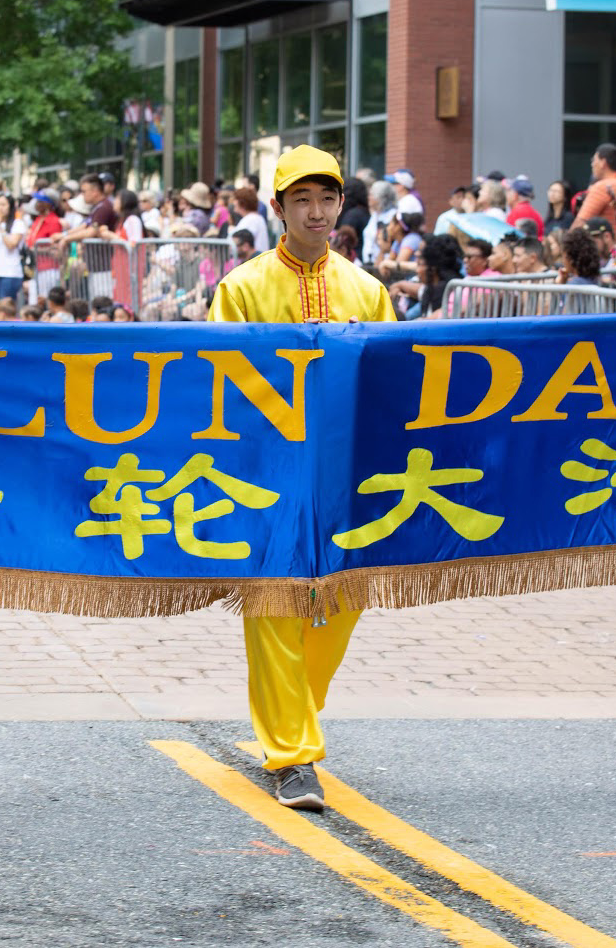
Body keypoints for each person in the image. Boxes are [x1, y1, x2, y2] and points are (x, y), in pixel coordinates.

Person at [207, 144, 395, 811]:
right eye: (301, 200)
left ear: (340, 205)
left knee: (344, 599)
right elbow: (220, 381)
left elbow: (391, 382)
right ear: (278, 208)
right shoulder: (241, 288)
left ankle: (290, 717)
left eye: (326, 199)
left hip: (347, 472)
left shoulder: (367, 291)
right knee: (274, 603)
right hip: (268, 473)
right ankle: (292, 754)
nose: (315, 212)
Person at [574, 144, 616, 239]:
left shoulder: (602, 187)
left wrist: (566, 244)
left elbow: (580, 223)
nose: (592, 164)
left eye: (594, 160)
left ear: (603, 163)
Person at [0, 195, 29, 302]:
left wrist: (0, 227)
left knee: (5, 306)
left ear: (10, 206)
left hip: (11, 273)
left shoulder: (17, 224)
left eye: (3, 205)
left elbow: (11, 244)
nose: (0, 208)